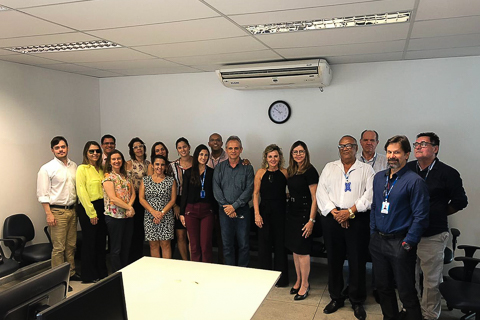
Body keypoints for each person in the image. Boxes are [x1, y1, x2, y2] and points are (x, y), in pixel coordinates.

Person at [407, 132, 468, 320]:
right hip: (407, 233)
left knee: (431, 281)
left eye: (423, 144)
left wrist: (438, 212)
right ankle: (412, 310)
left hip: (432, 234)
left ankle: (429, 315)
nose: (418, 147)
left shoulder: (448, 173)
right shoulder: (407, 169)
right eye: (416, 144)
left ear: (435, 148)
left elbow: (460, 201)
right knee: (409, 277)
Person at [369, 135, 429, 320]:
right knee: (383, 288)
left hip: (400, 243)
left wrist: (408, 242)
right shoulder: (379, 178)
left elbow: (421, 216)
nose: (392, 156)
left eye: (397, 152)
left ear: (406, 155)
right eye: (389, 152)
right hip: (379, 242)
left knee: (406, 291)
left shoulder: (414, 181)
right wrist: (372, 233)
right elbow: (375, 206)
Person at [317, 136, 374, 318]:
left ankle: (356, 301)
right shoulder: (329, 167)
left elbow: (369, 195)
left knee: (357, 261)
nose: (345, 148)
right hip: (333, 218)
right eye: (341, 146)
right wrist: (336, 213)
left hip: (357, 219)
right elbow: (321, 192)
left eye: (348, 145)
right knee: (334, 260)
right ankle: (336, 297)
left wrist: (349, 212)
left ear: (356, 148)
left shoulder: (366, 169)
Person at [37, 136, 79, 284]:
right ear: (52, 150)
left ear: (67, 147)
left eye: (63, 146)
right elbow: (43, 194)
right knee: (59, 247)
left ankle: (71, 273)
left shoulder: (74, 166)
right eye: (57, 147)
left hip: (73, 210)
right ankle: (59, 279)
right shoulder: (47, 168)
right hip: (56, 212)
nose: (61, 150)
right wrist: (49, 214)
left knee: (71, 245)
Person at [213, 135, 254, 267]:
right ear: (226, 149)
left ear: (241, 149)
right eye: (230, 148)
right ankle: (230, 272)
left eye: (236, 148)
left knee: (243, 244)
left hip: (242, 210)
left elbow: (249, 190)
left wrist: (234, 206)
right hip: (224, 212)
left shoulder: (247, 168)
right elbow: (216, 189)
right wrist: (227, 207)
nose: (233, 151)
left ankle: (242, 271)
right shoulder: (219, 168)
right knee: (227, 244)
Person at [285, 141, 319, 301]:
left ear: (306, 153)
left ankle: (305, 284)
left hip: (305, 215)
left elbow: (315, 198)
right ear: (292, 154)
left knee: (303, 251)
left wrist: (311, 220)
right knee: (295, 249)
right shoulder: (292, 170)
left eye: (301, 152)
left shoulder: (310, 171)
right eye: (295, 152)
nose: (298, 154)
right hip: (292, 214)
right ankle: (298, 280)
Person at [253, 144, 289, 287]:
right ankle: (264, 279)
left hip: (280, 212)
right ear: (266, 158)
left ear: (279, 157)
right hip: (264, 212)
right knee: (264, 245)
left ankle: (281, 280)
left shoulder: (285, 172)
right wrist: (257, 214)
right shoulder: (260, 172)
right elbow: (255, 194)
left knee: (280, 246)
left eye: (275, 156)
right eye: (270, 156)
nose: (273, 159)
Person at [76, 141, 108, 283]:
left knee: (101, 242)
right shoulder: (82, 169)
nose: (95, 154)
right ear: (86, 153)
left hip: (103, 208)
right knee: (90, 242)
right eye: (91, 151)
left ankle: (101, 273)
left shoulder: (101, 169)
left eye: (97, 151)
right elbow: (81, 191)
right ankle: (89, 275)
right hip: (89, 208)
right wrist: (92, 213)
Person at [180, 145, 216, 262]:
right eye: (201, 154)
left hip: (207, 212)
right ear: (196, 156)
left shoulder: (212, 172)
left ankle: (207, 271)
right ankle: (195, 272)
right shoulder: (189, 173)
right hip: (191, 211)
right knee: (194, 246)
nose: (203, 157)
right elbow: (184, 193)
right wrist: (181, 213)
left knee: (205, 245)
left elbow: (214, 193)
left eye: (206, 155)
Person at [102, 149, 136, 272]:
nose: (117, 161)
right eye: (114, 159)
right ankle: (116, 273)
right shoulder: (108, 178)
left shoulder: (126, 176)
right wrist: (129, 207)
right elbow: (113, 198)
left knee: (126, 246)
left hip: (128, 216)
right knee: (116, 248)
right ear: (110, 162)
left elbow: (133, 194)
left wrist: (130, 207)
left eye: (119, 158)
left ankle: (125, 270)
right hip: (114, 217)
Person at [139, 155, 176, 259]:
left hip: (166, 216)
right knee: (153, 245)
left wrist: (161, 213)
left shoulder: (170, 180)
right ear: (152, 165)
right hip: (150, 216)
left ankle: (166, 270)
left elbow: (173, 200)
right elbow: (141, 198)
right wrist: (153, 212)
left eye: (162, 164)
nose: (160, 167)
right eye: (157, 164)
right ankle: (157, 271)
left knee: (166, 244)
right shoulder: (145, 180)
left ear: (166, 166)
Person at [126, 137, 150, 263]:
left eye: (140, 146)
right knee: (131, 231)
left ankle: (139, 258)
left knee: (140, 231)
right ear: (132, 150)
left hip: (143, 200)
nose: (138, 149)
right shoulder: (128, 164)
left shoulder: (148, 164)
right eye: (135, 147)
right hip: (130, 199)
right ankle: (130, 259)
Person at [170, 137, 192, 260]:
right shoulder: (172, 166)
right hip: (177, 201)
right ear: (177, 150)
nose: (183, 149)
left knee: (192, 235)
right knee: (181, 235)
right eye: (180, 148)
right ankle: (185, 262)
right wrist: (175, 206)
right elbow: (168, 186)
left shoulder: (197, 162)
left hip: (193, 201)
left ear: (189, 147)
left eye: (184, 146)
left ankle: (194, 261)